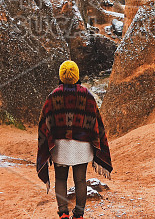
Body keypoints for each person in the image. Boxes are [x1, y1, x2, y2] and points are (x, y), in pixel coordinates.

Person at [37, 60, 112, 219]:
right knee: (80, 180)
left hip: (59, 145)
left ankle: (63, 213)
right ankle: (79, 214)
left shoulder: (53, 96)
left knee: (60, 178)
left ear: (61, 75)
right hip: (82, 146)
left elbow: (44, 122)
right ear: (76, 74)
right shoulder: (87, 95)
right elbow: (96, 121)